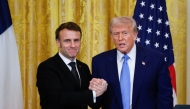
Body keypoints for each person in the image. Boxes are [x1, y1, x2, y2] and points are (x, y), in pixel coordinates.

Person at [89, 16, 173, 109]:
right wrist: (95, 93)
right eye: (116, 34)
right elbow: (95, 105)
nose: (120, 38)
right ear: (112, 37)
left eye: (125, 33)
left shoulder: (155, 59)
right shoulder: (100, 62)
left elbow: (165, 98)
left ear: (135, 35)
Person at [36, 22, 107, 109]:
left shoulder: (83, 67)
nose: (73, 45)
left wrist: (100, 86)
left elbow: (92, 103)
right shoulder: (47, 67)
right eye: (67, 41)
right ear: (58, 43)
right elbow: (61, 98)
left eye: (76, 40)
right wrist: (94, 93)